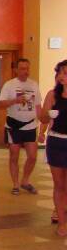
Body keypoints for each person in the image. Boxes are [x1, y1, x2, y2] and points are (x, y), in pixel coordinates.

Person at [0, 58, 41, 195]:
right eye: (22, 68)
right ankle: (15, 184)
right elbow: (1, 104)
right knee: (14, 156)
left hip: (30, 125)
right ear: (16, 70)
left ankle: (25, 181)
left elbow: (38, 106)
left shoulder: (34, 85)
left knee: (32, 156)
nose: (25, 71)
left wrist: (42, 124)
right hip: (14, 125)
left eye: (27, 68)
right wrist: (15, 100)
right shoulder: (9, 85)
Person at [38, 60, 67, 235]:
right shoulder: (52, 95)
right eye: (60, 73)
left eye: (65, 73)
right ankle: (62, 222)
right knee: (59, 184)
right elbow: (42, 118)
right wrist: (47, 114)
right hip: (56, 142)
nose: (62, 76)